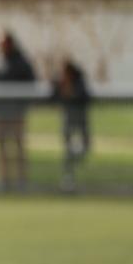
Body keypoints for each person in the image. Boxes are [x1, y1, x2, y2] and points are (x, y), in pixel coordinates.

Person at [0, 28, 36, 192]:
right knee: (1, 148)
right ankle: (3, 180)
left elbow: (30, 84)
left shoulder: (21, 62)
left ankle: (22, 181)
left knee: (18, 147)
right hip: (0, 113)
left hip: (16, 113)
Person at [55, 59, 92, 192]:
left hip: (80, 121)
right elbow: (54, 97)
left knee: (84, 147)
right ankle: (68, 180)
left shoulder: (80, 83)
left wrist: (70, 93)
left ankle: (71, 176)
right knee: (68, 151)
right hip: (69, 122)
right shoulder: (61, 83)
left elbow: (84, 97)